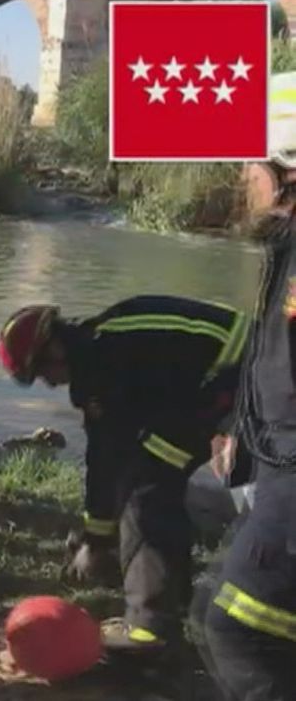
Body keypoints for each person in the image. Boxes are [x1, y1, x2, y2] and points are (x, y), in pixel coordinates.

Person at [0, 296, 248, 655]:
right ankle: (173, 604)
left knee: (145, 495)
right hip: (226, 371)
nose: (49, 385)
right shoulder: (101, 350)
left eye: (40, 372)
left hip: (241, 368)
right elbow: (110, 452)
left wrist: (95, 542)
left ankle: (150, 630)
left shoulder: (102, 359)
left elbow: (106, 457)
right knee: (153, 476)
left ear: (53, 348)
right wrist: (96, 534)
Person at [201, 206, 296, 698]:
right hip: (274, 460)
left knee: (237, 628)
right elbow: (272, 359)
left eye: (251, 162)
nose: (242, 176)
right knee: (216, 611)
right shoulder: (284, 246)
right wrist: (242, 427)